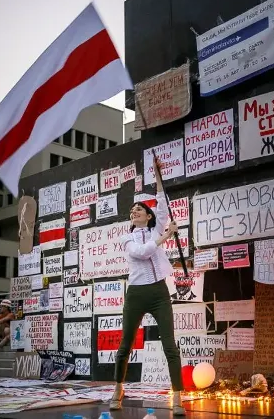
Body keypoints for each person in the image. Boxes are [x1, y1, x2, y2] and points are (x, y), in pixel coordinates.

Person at [109, 157, 185, 415]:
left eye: (139, 208)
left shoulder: (155, 228)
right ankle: (118, 388)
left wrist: (158, 176)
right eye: (132, 210)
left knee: (170, 345)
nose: (134, 211)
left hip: (159, 292)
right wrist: (166, 236)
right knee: (125, 344)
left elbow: (162, 205)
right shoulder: (127, 237)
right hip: (136, 294)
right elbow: (141, 253)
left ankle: (177, 395)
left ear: (148, 215)